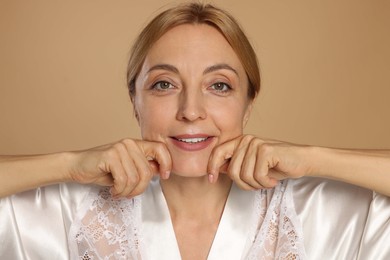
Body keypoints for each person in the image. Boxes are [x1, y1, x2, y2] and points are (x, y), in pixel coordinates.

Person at [1, 2, 389, 259]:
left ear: (248, 103)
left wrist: (312, 157)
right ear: (134, 100)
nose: (190, 111)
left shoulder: (315, 213)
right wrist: (70, 165)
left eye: (219, 85)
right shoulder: (72, 211)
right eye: (164, 85)